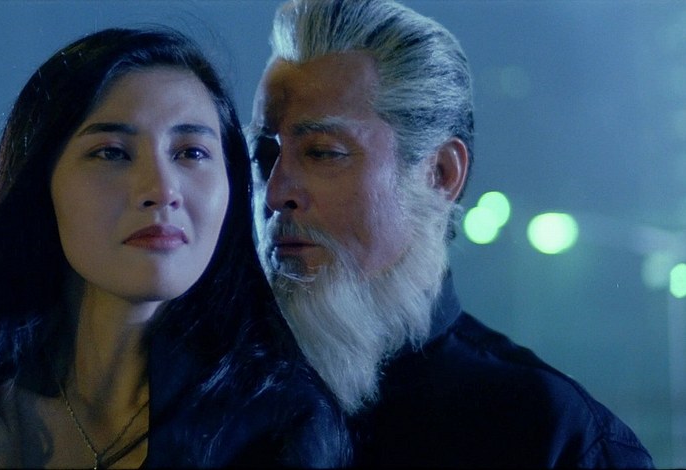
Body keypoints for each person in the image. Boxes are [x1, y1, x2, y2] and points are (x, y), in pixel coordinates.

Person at [0, 27, 351, 468]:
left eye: (191, 152)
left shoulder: (278, 427)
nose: (161, 189)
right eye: (111, 152)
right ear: (41, 182)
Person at [247, 0, 654, 467]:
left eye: (322, 153)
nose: (275, 192)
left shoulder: (550, 435)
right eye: (261, 155)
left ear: (440, 174)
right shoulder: (211, 401)